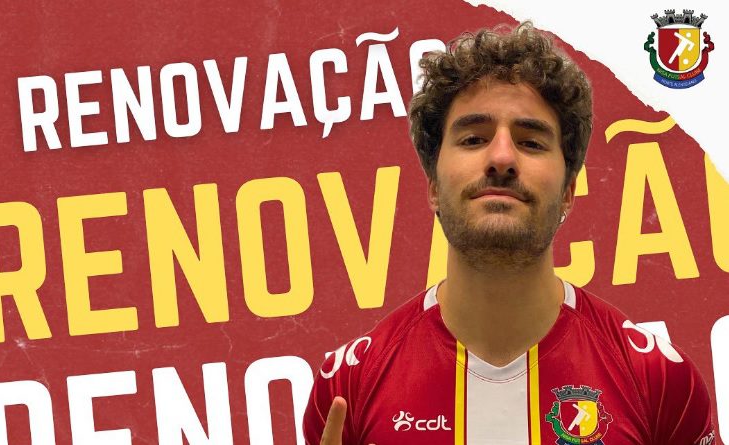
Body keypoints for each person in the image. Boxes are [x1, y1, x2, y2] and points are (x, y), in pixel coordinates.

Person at [303, 22, 716, 445]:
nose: (501, 157)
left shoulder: (658, 379)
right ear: (433, 187)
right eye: (473, 138)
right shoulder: (348, 387)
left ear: (568, 191)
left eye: (531, 142)